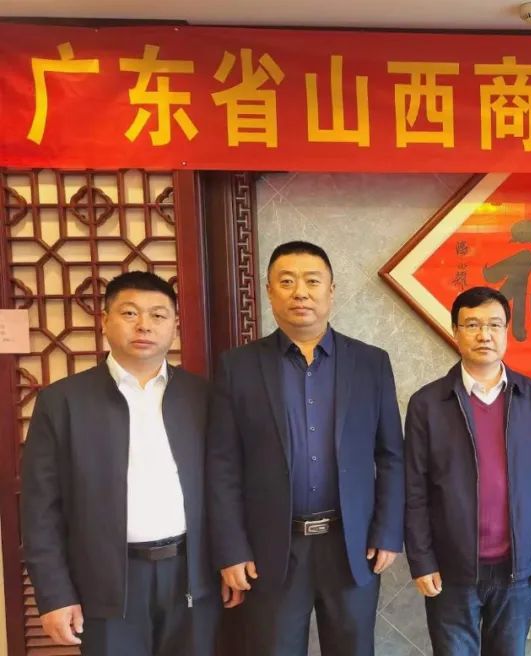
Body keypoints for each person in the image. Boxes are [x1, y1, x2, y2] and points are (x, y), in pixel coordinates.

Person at [208, 241, 405, 656]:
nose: (300, 292)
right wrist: (231, 548)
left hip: (351, 545)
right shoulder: (237, 366)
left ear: (331, 290)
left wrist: (388, 531)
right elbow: (223, 465)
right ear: (269, 291)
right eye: (287, 282)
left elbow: (390, 456)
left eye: (312, 281)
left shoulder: (371, 363)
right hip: (271, 547)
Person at [21, 271, 218, 655]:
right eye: (129, 313)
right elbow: (39, 508)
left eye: (158, 315)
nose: (144, 325)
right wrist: (54, 594)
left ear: (175, 325)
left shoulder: (202, 397)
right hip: (106, 582)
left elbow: (225, 487)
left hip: (191, 575)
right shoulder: (63, 402)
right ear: (105, 320)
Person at [404, 286, 531, 656]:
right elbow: (413, 489)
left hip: (517, 568)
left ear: (507, 331)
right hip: (451, 570)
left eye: (494, 324)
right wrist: (421, 559)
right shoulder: (427, 403)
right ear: (455, 331)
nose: (484, 334)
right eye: (472, 325)